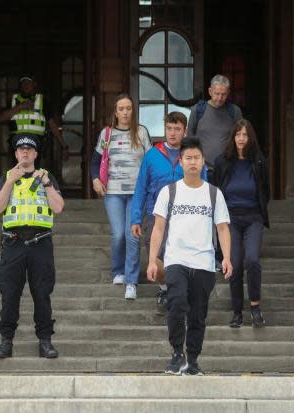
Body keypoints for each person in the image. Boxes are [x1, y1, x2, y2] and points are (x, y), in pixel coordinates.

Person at [147, 137, 232, 376]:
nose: (193, 162)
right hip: (176, 259)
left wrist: (226, 258)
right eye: (188, 158)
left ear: (203, 161)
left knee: (197, 314)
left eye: (196, 158)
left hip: (204, 262)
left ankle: (192, 359)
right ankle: (177, 354)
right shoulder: (169, 192)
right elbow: (159, 227)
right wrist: (153, 259)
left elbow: (223, 228)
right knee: (176, 304)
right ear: (181, 162)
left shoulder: (214, 194)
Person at [0, 134, 64, 359]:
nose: (24, 153)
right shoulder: (6, 177)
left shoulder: (46, 177)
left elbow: (58, 207)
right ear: (15, 154)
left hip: (40, 242)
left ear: (35, 154)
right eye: (20, 149)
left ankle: (45, 341)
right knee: (10, 294)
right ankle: (6, 341)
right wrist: (11, 181)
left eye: (29, 150)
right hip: (13, 241)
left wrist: (48, 184)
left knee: (42, 293)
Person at [130, 112, 207, 313]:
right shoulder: (152, 156)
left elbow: (204, 186)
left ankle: (181, 291)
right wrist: (136, 218)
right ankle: (164, 289)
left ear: (185, 131)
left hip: (186, 216)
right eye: (169, 129)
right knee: (156, 256)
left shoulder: (191, 156)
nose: (172, 133)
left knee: (182, 256)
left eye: (177, 129)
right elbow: (140, 188)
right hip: (155, 215)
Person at [91, 93, 151, 300]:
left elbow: (150, 161)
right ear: (115, 112)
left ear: (132, 111)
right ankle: (118, 270)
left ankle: (131, 281)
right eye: (121, 109)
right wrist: (95, 179)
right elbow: (94, 161)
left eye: (128, 108)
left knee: (131, 234)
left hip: (137, 192)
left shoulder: (141, 132)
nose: (125, 112)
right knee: (118, 234)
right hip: (113, 192)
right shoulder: (106, 134)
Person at [212, 119, 270, 328]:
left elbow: (266, 191)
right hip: (230, 219)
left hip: (253, 217)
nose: (241, 139)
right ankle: (237, 312)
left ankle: (255, 307)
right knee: (234, 263)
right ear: (233, 137)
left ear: (250, 137)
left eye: (245, 135)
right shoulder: (222, 161)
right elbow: (216, 189)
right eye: (238, 135)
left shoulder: (259, 161)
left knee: (253, 260)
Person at [0, 75, 69, 164]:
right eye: (23, 82)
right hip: (17, 146)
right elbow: (1, 118)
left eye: (29, 82)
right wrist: (20, 107)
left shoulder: (42, 101)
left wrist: (64, 146)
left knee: (33, 175)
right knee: (18, 174)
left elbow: (52, 125)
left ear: (34, 84)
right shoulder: (14, 100)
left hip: (35, 146)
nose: (26, 85)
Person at [187, 74, 243, 177]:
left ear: (228, 93)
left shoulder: (234, 112)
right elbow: (190, 140)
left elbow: (241, 139)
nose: (220, 98)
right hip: (202, 170)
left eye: (223, 94)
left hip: (228, 169)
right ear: (210, 91)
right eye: (217, 93)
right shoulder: (198, 110)